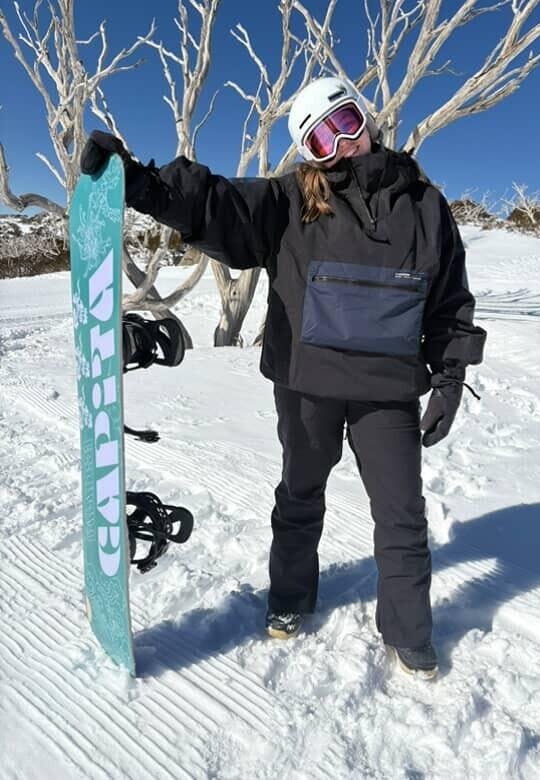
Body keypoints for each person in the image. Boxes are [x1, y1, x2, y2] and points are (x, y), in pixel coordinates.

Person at [81, 76, 486, 680]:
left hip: (388, 390)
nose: (342, 143)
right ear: (308, 152)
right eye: (322, 138)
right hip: (306, 382)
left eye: (346, 123)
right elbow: (216, 205)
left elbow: (449, 299)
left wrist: (450, 377)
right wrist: (139, 182)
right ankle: (290, 596)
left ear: (365, 119)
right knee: (300, 493)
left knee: (401, 511)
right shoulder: (289, 201)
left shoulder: (424, 205)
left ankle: (408, 631)